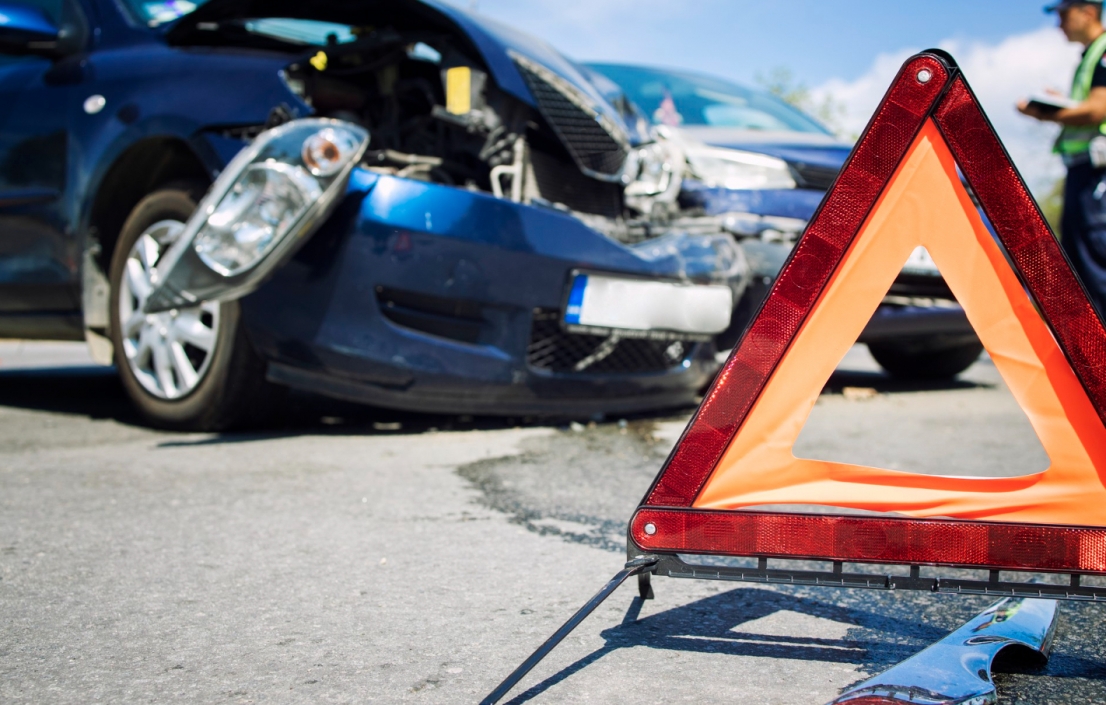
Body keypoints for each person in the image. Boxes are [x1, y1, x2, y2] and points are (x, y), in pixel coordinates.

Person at [1019, 0, 1106, 316]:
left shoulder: (1104, 51)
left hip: (1097, 176)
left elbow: (1098, 108)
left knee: (1096, 264)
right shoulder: (1091, 56)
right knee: (1082, 263)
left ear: (1088, 11)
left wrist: (1046, 112)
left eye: (1063, 14)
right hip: (1085, 173)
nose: (1059, 23)